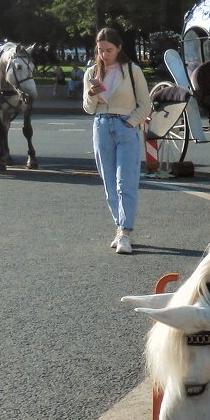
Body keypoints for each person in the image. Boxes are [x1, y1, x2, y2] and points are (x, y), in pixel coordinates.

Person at [83, 27, 150, 255]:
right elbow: (88, 108)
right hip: (101, 125)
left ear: (119, 48)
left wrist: (131, 122)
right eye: (100, 50)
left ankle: (125, 232)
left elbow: (145, 104)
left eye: (109, 50)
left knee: (126, 182)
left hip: (125, 126)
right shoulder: (92, 72)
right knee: (109, 184)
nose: (104, 54)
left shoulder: (132, 70)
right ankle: (119, 227)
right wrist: (92, 95)